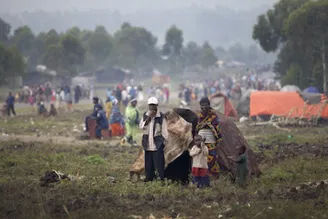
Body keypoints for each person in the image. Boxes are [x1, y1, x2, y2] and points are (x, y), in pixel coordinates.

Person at [139, 97, 168, 182]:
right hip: (147, 143)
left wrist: (164, 142)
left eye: (153, 105)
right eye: (150, 105)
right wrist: (147, 120)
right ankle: (149, 178)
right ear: (148, 106)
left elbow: (165, 131)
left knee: (159, 163)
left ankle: (160, 178)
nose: (152, 107)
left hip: (157, 144)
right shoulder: (145, 115)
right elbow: (141, 126)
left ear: (157, 106)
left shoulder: (161, 116)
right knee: (148, 163)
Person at [196, 97, 223, 178]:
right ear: (200, 106)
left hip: (211, 139)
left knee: (212, 157)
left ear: (209, 105)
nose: (204, 107)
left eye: (206, 105)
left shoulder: (213, 116)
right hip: (201, 140)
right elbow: (197, 128)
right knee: (202, 157)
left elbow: (217, 127)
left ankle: (213, 175)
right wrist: (202, 126)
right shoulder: (199, 116)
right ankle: (203, 175)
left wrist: (209, 125)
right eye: (202, 105)